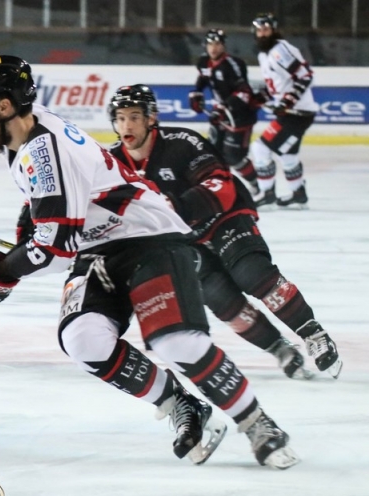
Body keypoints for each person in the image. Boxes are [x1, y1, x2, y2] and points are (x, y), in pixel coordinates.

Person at [0, 55, 298, 469]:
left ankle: (259, 423)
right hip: (99, 245)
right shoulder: (28, 132)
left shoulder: (42, 151)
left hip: (149, 235)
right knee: (83, 339)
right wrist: (31, 226)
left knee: (175, 341)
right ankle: (180, 403)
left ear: (4, 106)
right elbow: (63, 206)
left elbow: (52, 252)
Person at [106, 84, 342, 381]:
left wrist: (175, 206)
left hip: (224, 218)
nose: (127, 124)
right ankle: (279, 349)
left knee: (252, 274)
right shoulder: (111, 163)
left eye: (135, 117)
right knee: (221, 299)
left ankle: (312, 333)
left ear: (151, 118)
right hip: (184, 240)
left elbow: (222, 184)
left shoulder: (182, 142)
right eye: (121, 117)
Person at [250, 13, 318, 208]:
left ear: (273, 30)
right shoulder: (265, 54)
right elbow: (279, 86)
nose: (263, 34)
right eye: (259, 30)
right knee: (287, 155)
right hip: (292, 112)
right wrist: (261, 97)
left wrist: (287, 101)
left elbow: (305, 76)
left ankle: (266, 193)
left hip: (297, 114)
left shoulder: (280, 50)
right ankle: (298, 193)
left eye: (266, 30)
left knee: (260, 148)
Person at [188, 29, 260, 194]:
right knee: (212, 153)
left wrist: (223, 107)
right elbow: (203, 78)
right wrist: (196, 93)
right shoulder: (204, 62)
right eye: (210, 44)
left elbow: (244, 92)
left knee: (234, 157)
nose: (213, 48)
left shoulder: (233, 65)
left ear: (224, 46)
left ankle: (258, 186)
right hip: (220, 116)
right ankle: (222, 187)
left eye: (217, 44)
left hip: (240, 117)